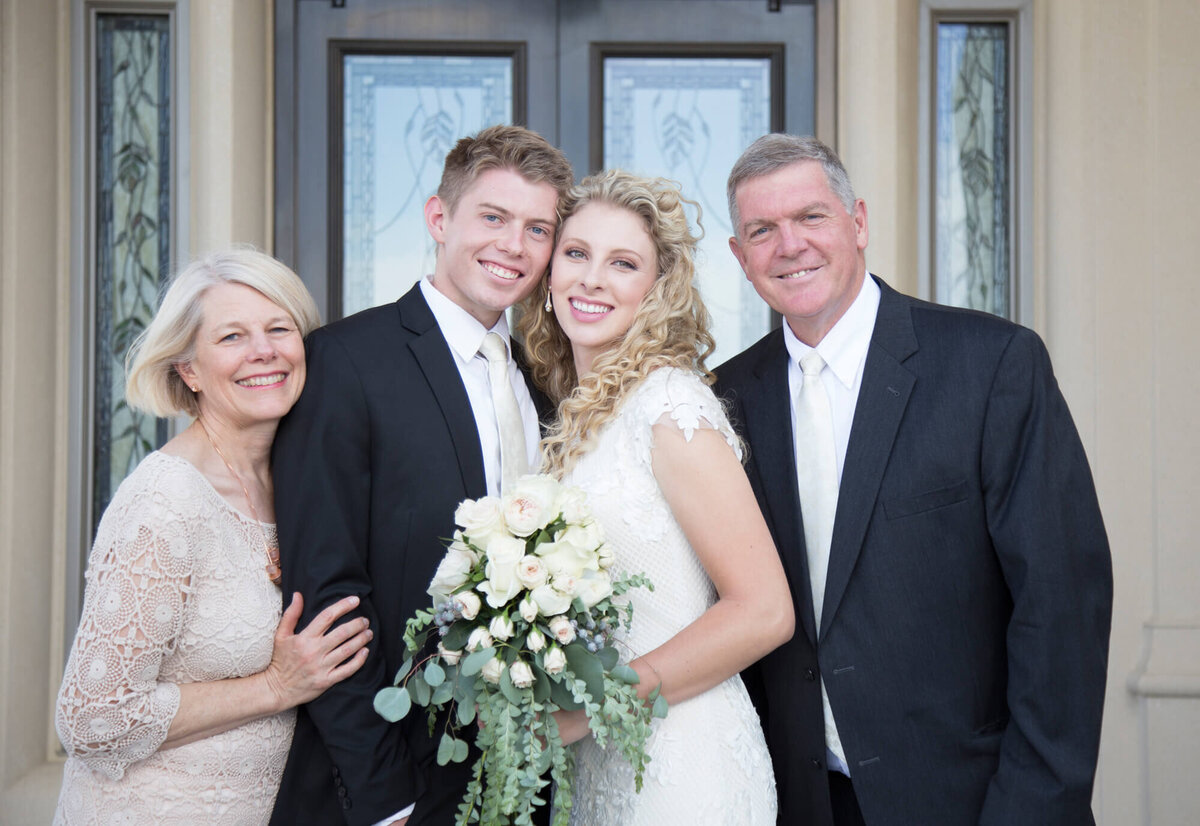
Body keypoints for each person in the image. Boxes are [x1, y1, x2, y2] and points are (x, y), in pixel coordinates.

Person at [714, 134, 1113, 825]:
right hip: (798, 802)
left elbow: (1062, 607)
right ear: (740, 256)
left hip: (969, 801)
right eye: (762, 230)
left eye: (811, 217)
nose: (790, 245)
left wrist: (1031, 809)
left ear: (858, 223)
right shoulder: (722, 399)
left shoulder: (992, 366)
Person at [269, 124, 574, 826]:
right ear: (440, 217)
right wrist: (383, 796)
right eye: (492, 218)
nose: (513, 246)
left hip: (526, 774)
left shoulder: (547, 378)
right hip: (396, 781)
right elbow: (326, 592)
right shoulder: (345, 363)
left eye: (537, 229)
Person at [53, 249, 372, 825]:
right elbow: (91, 719)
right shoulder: (164, 501)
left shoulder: (299, 482)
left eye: (280, 328)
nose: (263, 351)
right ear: (189, 369)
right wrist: (275, 685)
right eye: (231, 337)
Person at [517, 169, 795, 825]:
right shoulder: (574, 416)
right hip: (602, 768)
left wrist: (586, 709)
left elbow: (764, 612)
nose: (591, 279)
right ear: (550, 271)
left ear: (655, 290)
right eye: (577, 254)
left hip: (686, 768)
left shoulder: (668, 406)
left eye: (623, 263)